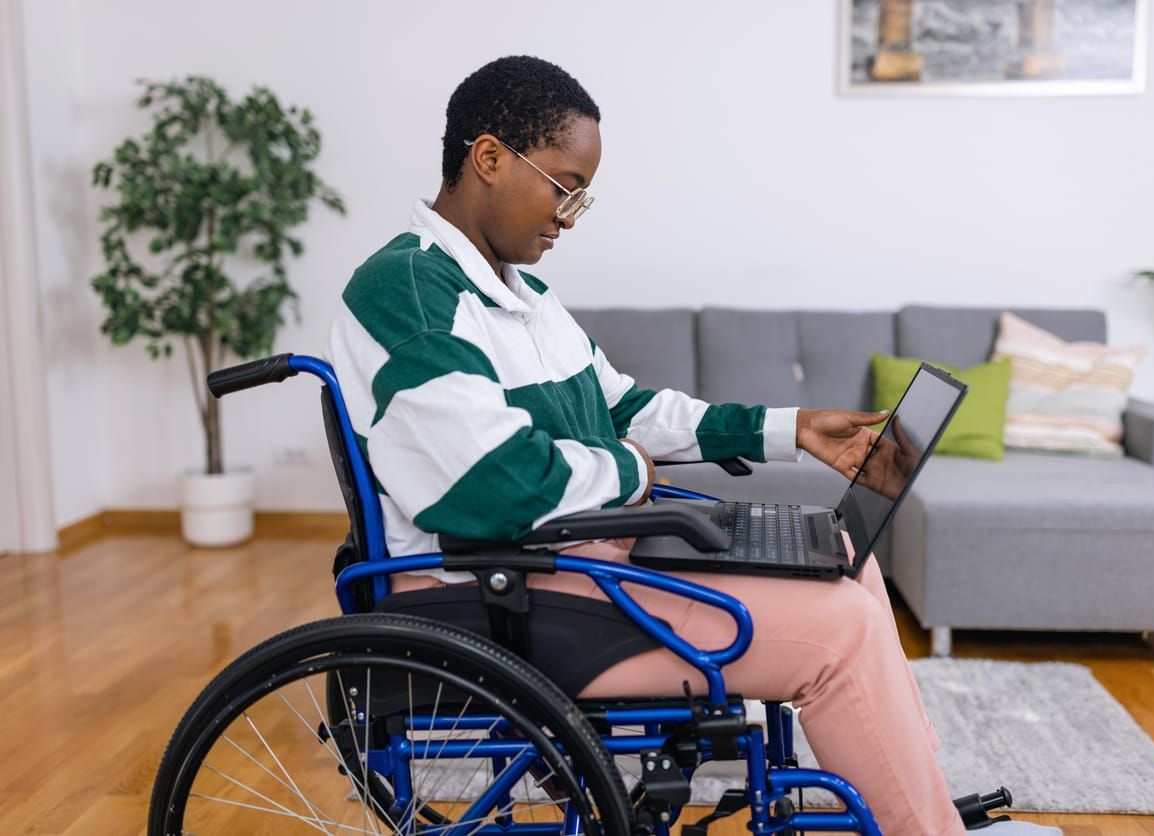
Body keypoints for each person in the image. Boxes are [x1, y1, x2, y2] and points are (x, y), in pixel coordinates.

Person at [326, 55, 1060, 836]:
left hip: (559, 562)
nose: (568, 215)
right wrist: (631, 472)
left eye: (581, 196)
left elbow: (627, 406)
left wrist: (789, 429)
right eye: (564, 186)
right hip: (487, 592)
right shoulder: (408, 291)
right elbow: (495, 485)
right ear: (490, 158)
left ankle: (918, 798)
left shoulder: (520, 297)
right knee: (837, 630)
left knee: (843, 551)